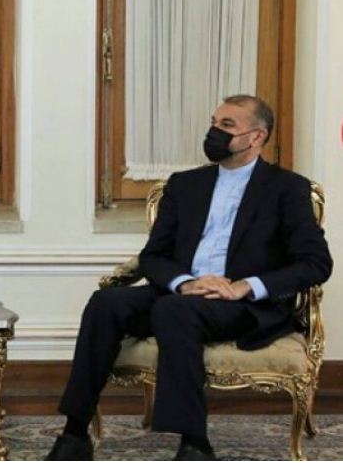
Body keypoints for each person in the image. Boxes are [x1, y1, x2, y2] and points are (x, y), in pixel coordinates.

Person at [46, 95, 332, 461]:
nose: (214, 132)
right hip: (182, 291)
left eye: (227, 125)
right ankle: (75, 433)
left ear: (256, 136)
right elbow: (153, 256)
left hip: (240, 305)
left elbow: (315, 263)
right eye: (214, 122)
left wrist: (245, 286)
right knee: (106, 303)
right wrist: (185, 283)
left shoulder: (287, 188)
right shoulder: (185, 185)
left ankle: (194, 442)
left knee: (175, 311)